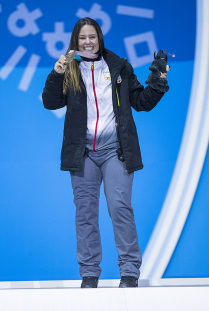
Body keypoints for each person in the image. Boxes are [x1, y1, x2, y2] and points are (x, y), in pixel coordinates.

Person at [42, 17, 168, 288]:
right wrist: (56, 74)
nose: (88, 41)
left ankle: (130, 273)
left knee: (119, 207)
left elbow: (141, 102)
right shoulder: (70, 69)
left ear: (100, 38)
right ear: (75, 41)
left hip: (115, 151)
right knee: (85, 212)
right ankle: (89, 274)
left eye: (92, 36)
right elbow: (51, 102)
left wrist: (157, 82)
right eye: (82, 38)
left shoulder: (119, 67)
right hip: (83, 153)